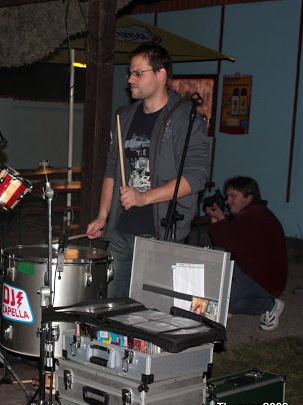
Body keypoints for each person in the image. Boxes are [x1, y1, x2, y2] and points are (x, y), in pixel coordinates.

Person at [85, 43, 209, 298]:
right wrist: (102, 215)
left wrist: (144, 197)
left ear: (161, 74)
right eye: (130, 73)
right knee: (112, 305)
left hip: (159, 231)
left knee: (148, 308)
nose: (130, 79)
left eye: (138, 73)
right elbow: (112, 170)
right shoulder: (124, 117)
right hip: (121, 228)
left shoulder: (184, 118)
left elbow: (195, 176)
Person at [206, 176, 286, 331]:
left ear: (249, 197)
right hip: (252, 272)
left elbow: (233, 245)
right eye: (227, 197)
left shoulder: (255, 216)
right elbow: (224, 246)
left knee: (216, 300)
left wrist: (221, 219)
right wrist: (218, 221)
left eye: (233, 196)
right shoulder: (250, 214)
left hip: (263, 281)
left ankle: (270, 305)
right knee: (214, 288)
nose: (228, 201)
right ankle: (229, 303)